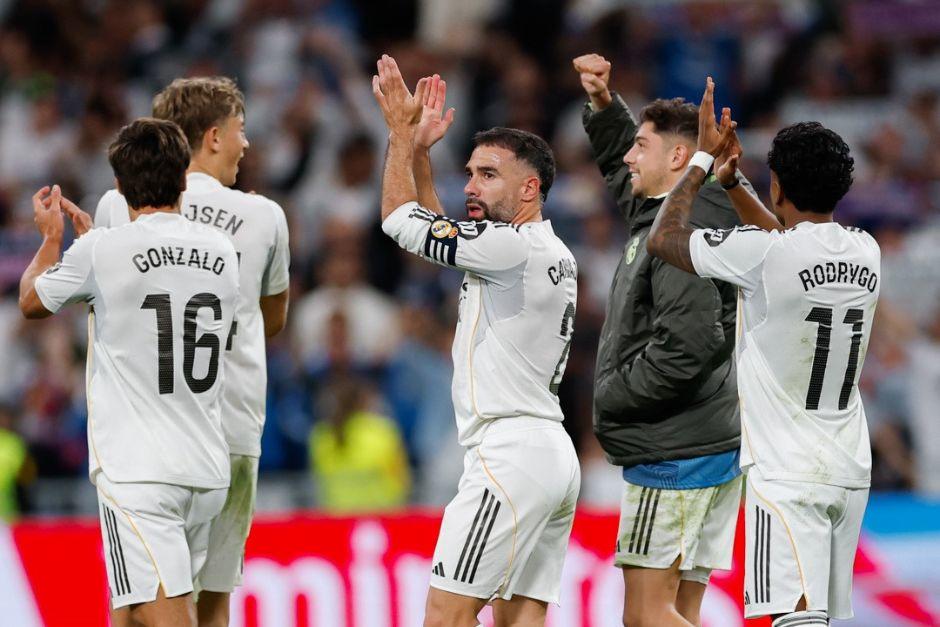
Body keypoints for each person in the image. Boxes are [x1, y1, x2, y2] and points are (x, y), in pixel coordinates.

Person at [648, 77, 879, 627]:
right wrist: (737, 188)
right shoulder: (865, 251)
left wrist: (702, 160)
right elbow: (786, 246)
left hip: (787, 475)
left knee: (789, 623)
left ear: (777, 185)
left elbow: (664, 238)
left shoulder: (767, 255)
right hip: (848, 470)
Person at [373, 56, 581, 627]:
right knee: (520, 620)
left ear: (530, 187)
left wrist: (395, 132)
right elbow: (441, 235)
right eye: (469, 172)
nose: (470, 185)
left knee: (445, 614)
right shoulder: (540, 250)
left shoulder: (510, 247)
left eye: (488, 174)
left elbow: (399, 218)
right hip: (548, 452)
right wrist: (418, 151)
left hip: (510, 454)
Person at [19, 118, 240, 627]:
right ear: (184, 177)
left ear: (119, 186)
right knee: (130, 611)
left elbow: (32, 301)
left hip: (140, 473)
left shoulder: (103, 251)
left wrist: (53, 242)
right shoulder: (222, 253)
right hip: (205, 468)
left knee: (166, 614)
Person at [93, 77, 290, 627]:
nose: (245, 144)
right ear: (212, 137)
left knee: (135, 601)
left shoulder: (116, 206)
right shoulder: (264, 216)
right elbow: (273, 320)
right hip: (229, 430)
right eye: (239, 131)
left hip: (146, 441)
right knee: (212, 601)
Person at [574, 53, 743, 627]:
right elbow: (633, 182)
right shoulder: (677, 211)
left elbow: (687, 346)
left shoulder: (682, 231)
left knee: (646, 618)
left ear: (678, 157)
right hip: (705, 442)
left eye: (640, 145)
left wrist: (614, 394)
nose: (627, 156)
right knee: (680, 613)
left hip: (674, 452)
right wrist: (603, 104)